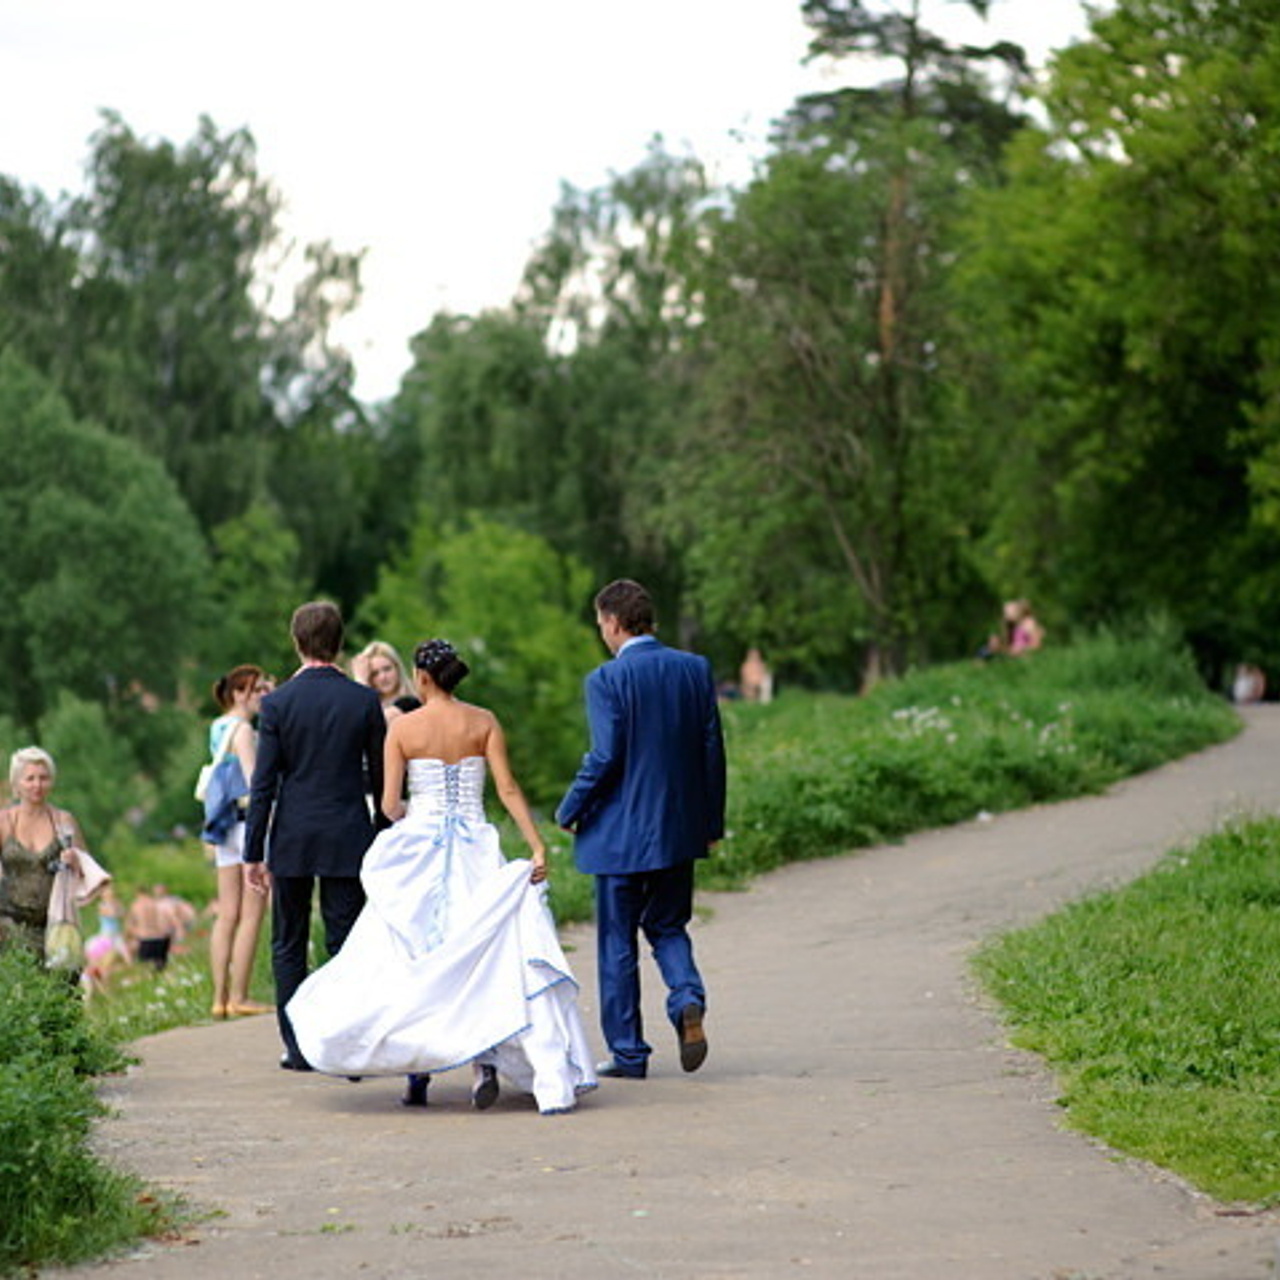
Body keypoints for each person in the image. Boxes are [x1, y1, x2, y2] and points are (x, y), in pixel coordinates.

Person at [286, 639, 597, 1114]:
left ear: (423, 678)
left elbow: (389, 805)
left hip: (419, 853)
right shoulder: (484, 721)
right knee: (482, 958)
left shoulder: (403, 728)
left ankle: (418, 1072)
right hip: (475, 850)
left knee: (413, 955)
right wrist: (536, 846)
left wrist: (414, 812)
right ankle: (483, 1065)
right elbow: (508, 788)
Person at [556, 579, 727, 1080]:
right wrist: (710, 821)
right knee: (668, 924)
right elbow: (712, 751)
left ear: (613, 622)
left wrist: (569, 808)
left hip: (618, 835)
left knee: (616, 941)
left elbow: (605, 755)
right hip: (678, 828)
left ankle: (629, 1055)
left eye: (600, 624)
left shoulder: (606, 679)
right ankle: (687, 997)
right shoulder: (694, 670)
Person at [244, 601, 388, 1071]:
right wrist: (383, 837)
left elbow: (263, 784)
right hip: (348, 833)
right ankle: (345, 1044)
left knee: (288, 942)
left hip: (293, 836)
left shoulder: (277, 703)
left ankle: (298, 1046)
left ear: (297, 642)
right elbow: (384, 779)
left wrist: (252, 851)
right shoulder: (362, 701)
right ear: (340, 643)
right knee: (345, 943)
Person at [205, 665, 273, 1019]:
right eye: (257, 690)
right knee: (252, 913)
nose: (262, 696)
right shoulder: (244, 730)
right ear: (240, 693)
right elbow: (254, 782)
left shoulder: (218, 727)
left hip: (224, 825)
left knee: (226, 913)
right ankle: (240, 995)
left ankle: (219, 997)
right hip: (247, 825)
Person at [0, 746, 109, 965]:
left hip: (56, 925)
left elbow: (88, 872)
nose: (37, 785)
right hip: (9, 925)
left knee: (59, 982)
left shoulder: (63, 821)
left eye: (44, 778)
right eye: (30, 778)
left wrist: (75, 861)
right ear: (17, 783)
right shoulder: (4, 821)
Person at [351, 640, 421, 723]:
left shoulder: (412, 701)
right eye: (375, 673)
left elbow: (376, 724)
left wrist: (360, 683)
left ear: (397, 668)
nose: (383, 677)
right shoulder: (371, 707)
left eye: (387, 669)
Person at [124, 883, 183, 970]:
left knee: (146, 967)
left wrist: (128, 936)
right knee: (160, 965)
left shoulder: (136, 905)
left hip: (146, 938)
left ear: (137, 894)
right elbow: (170, 919)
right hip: (161, 937)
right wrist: (178, 930)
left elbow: (129, 924)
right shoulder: (157, 903)